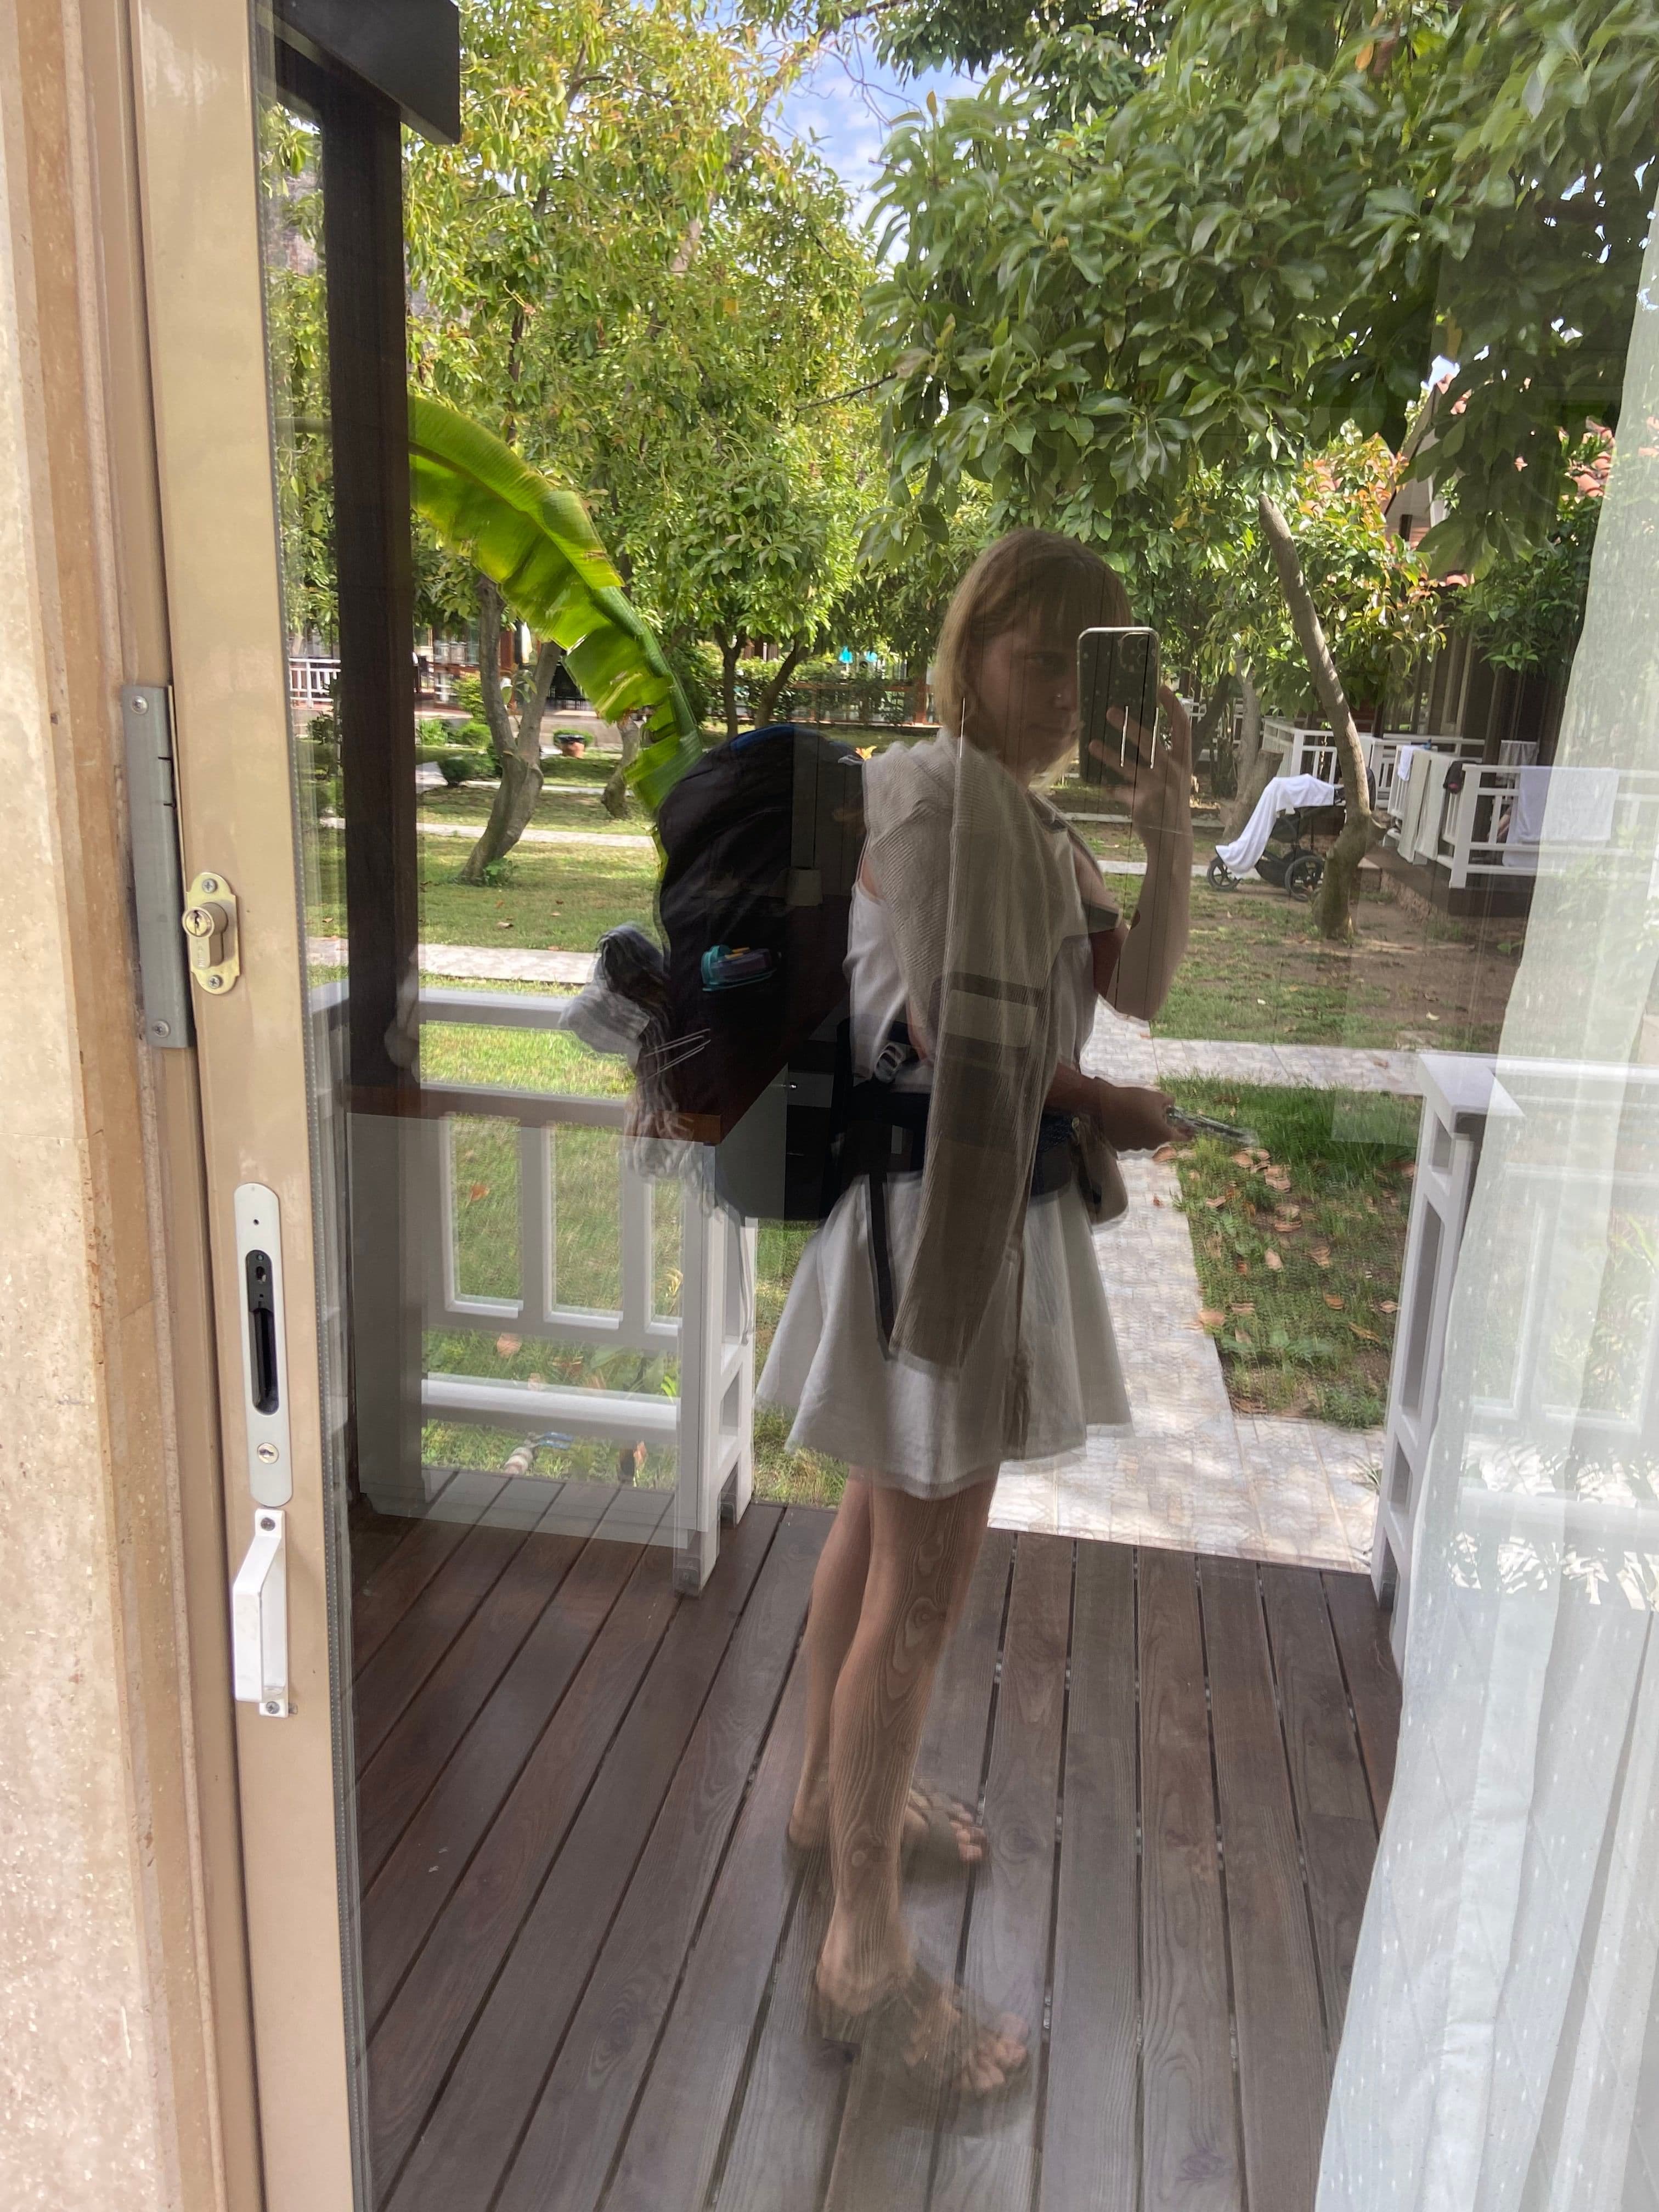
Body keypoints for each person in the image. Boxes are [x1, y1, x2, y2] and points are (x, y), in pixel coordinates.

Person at [757, 528, 1193, 2099]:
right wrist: (1115, 1112)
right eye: (1038, 655)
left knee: (879, 1541)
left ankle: (832, 1807)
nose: (1066, 691)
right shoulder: (938, 798)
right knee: (923, 1596)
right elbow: (963, 1044)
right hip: (938, 1229)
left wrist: (1167, 836)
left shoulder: (1035, 825)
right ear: (972, 648)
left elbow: (1140, 987)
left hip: (960, 1220)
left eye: (1091, 663)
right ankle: (862, 1957)